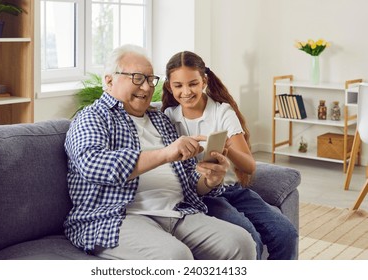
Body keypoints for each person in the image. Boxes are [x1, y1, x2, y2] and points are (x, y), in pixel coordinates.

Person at [63, 44, 256, 260]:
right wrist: (166, 153)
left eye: (149, 79)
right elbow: (93, 165)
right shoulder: (92, 117)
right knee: (175, 256)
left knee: (241, 243)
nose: (146, 88)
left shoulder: (161, 120)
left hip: (179, 211)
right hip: (117, 217)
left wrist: (210, 180)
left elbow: (191, 180)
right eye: (137, 78)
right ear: (109, 81)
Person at [161, 51, 298, 260]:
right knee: (250, 237)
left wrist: (227, 148)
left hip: (232, 190)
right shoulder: (168, 118)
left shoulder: (222, 112)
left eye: (193, 84)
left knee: (286, 233)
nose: (186, 91)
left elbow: (249, 166)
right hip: (201, 196)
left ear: (204, 81)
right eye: (178, 86)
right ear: (170, 86)